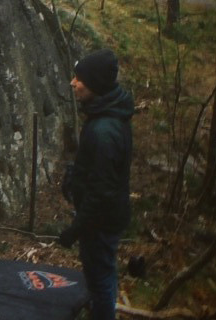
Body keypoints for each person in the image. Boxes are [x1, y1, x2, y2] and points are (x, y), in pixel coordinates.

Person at [58, 48, 134, 320]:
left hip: (100, 222)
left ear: (96, 84)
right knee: (102, 274)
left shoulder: (105, 131)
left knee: (100, 280)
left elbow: (102, 192)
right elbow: (100, 173)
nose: (73, 83)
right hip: (105, 218)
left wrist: (75, 229)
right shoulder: (106, 116)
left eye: (79, 78)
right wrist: (75, 175)